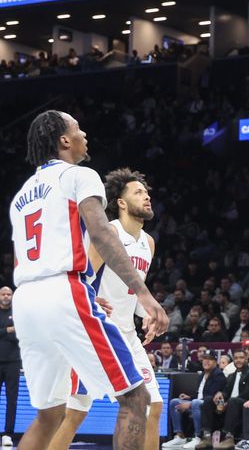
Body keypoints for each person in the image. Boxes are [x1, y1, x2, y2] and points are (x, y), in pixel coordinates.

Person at [9, 110, 168, 450]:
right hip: (64, 291)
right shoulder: (80, 175)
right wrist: (145, 294)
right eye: (78, 129)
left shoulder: (21, 195)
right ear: (64, 140)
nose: (84, 134)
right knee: (135, 398)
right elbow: (100, 233)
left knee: (49, 414)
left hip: (26, 300)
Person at [47, 168, 164, 450]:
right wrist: (89, 298)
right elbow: (77, 277)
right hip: (95, 334)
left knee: (154, 407)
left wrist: (146, 315)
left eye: (147, 192)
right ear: (121, 202)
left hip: (127, 333)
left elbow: (135, 290)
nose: (147, 197)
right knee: (74, 415)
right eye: (138, 192)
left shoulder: (148, 243)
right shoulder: (108, 233)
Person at [196, 349, 249, 449]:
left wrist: (227, 403)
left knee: (233, 401)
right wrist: (221, 394)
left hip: (246, 405)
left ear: (246, 359)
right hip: (231, 405)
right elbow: (226, 392)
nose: (238, 360)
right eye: (236, 358)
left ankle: (229, 437)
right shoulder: (231, 375)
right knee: (209, 400)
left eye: (241, 358)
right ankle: (207, 436)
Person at [163, 353, 226, 449]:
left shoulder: (218, 375)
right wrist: (189, 398)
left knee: (196, 403)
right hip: (198, 401)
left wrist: (190, 404)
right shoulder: (201, 375)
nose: (206, 361)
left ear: (215, 362)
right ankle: (180, 435)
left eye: (210, 359)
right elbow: (199, 394)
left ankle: (198, 437)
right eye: (205, 359)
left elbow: (211, 396)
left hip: (209, 405)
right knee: (174, 402)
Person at [0, 287, 20, 447]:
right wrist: (7, 330)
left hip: (13, 362)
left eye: (8, 294)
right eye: (3, 294)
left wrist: (6, 333)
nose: (6, 296)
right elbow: (11, 332)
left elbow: (20, 334)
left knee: (11, 400)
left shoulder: (18, 312)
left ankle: (8, 434)